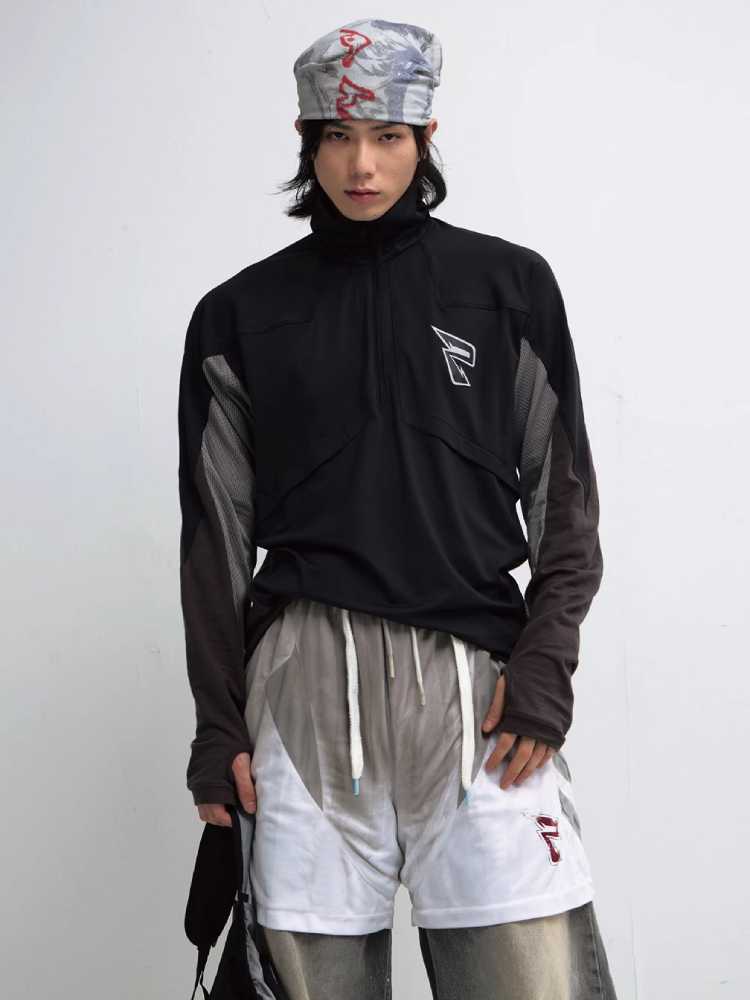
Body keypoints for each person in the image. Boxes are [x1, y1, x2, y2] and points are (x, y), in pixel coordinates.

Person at [178, 16, 618, 1000]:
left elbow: (565, 505)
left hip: (480, 700)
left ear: (425, 136)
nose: (361, 164)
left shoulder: (508, 290)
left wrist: (545, 668)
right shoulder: (238, 318)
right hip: (302, 698)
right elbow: (213, 542)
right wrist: (218, 730)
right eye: (336, 136)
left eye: (386, 135)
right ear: (307, 142)